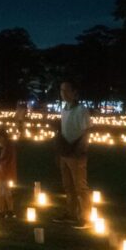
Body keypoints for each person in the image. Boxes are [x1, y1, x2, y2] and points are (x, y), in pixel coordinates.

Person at [53, 81, 92, 228]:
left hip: (76, 153)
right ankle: (71, 213)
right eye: (61, 90)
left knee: (80, 187)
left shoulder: (81, 110)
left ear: (75, 92)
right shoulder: (64, 109)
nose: (63, 93)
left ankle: (85, 217)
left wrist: (80, 149)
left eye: (66, 90)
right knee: (68, 186)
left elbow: (86, 132)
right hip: (64, 151)